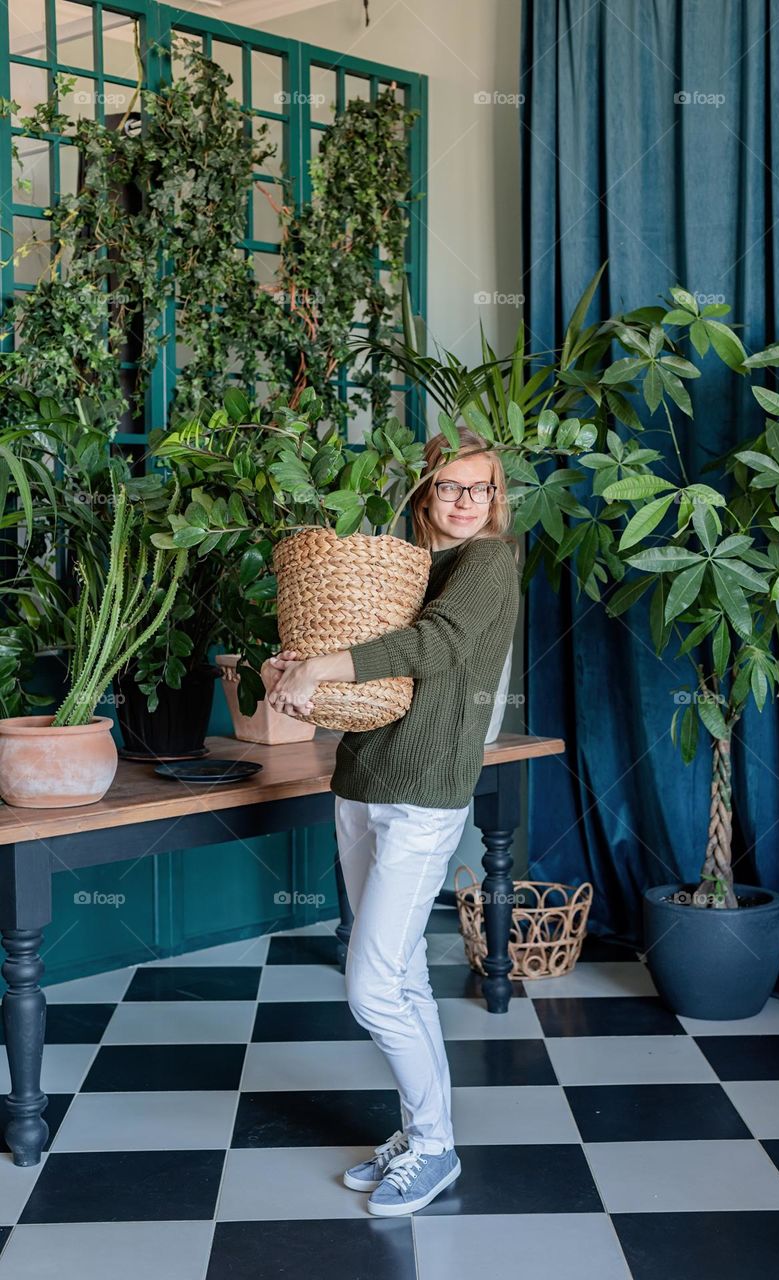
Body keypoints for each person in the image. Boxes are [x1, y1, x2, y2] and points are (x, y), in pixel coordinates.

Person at [266, 426, 519, 1216]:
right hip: (362, 780)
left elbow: (435, 647)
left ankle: (437, 1147)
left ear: (496, 496)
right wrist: (293, 669)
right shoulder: (408, 566)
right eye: (451, 488)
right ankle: (425, 1135)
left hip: (425, 795)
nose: (467, 502)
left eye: (481, 487)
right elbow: (351, 659)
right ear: (425, 495)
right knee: (402, 974)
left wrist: (324, 665)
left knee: (372, 987)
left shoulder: (489, 562)